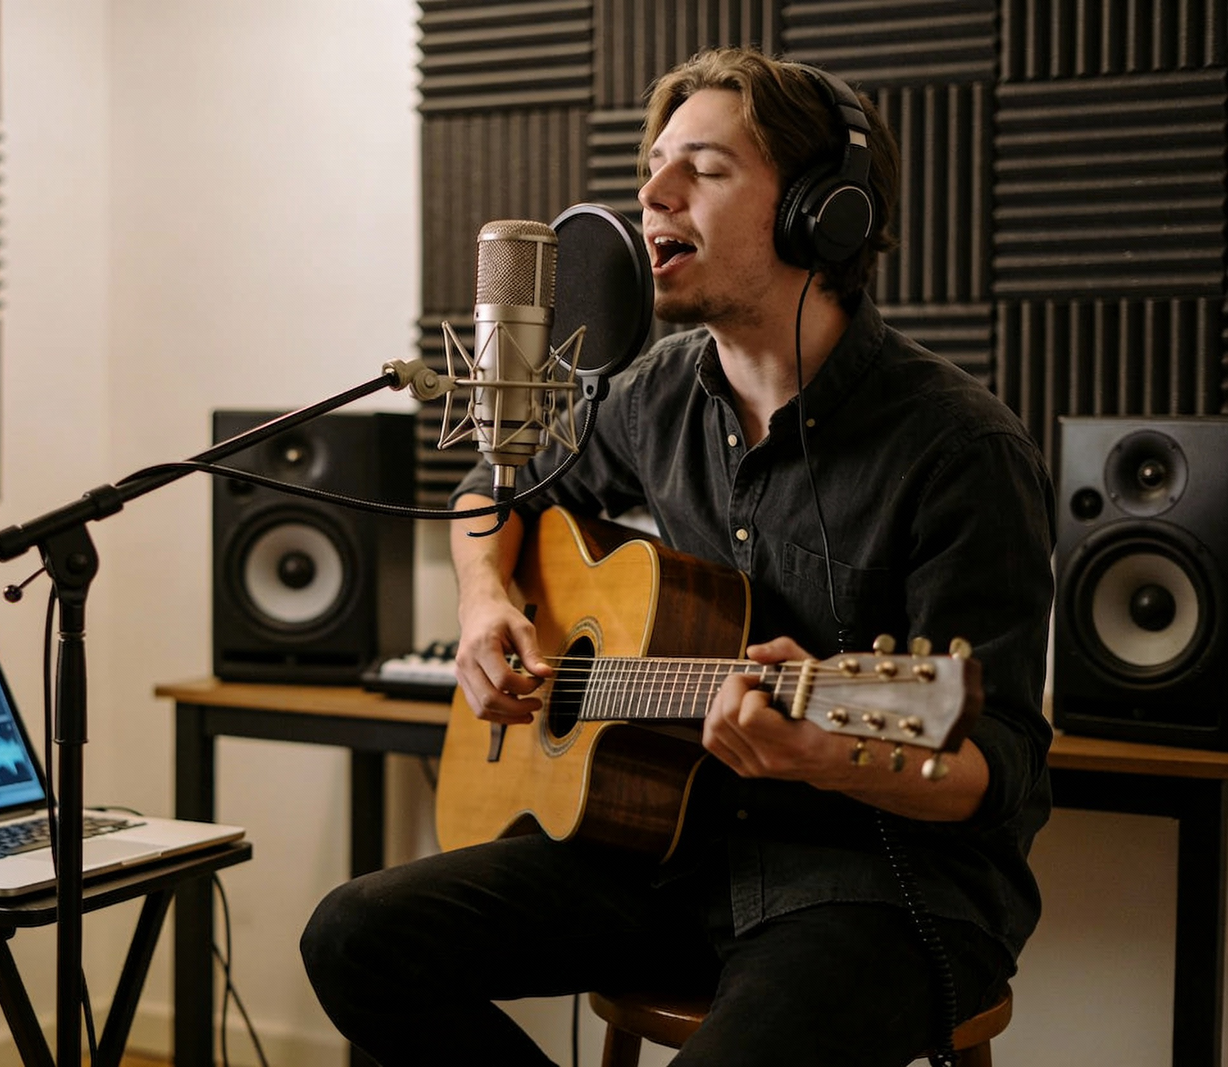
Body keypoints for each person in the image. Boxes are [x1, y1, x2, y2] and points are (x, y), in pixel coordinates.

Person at [301, 46, 1054, 1067]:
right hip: (665, 851)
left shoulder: (960, 449)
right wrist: (486, 605)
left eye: (701, 170)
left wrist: (826, 751)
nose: (649, 196)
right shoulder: (652, 392)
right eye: (653, 167)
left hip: (877, 882)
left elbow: (992, 766)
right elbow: (491, 490)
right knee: (354, 936)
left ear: (818, 213)